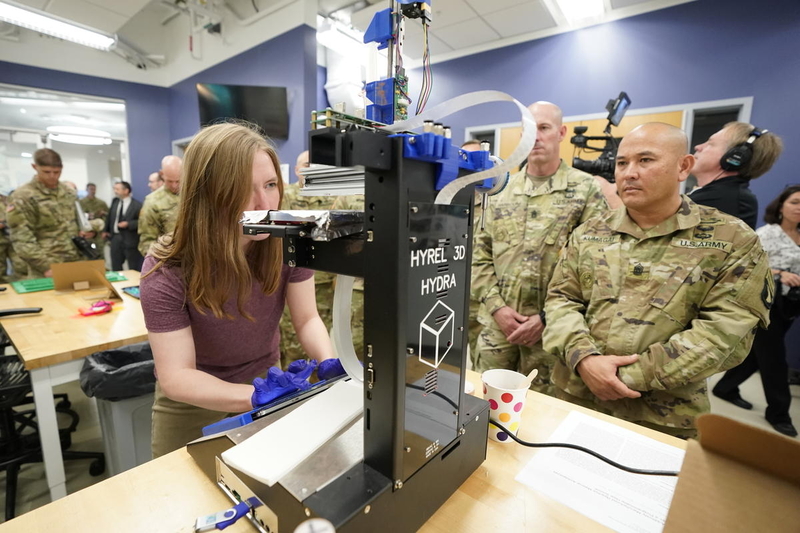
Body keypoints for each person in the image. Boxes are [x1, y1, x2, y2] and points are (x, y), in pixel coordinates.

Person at [542, 123, 773, 439]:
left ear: (683, 167)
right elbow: (560, 300)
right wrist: (585, 359)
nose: (629, 173)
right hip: (575, 396)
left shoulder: (731, 240)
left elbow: (725, 332)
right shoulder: (589, 233)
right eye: (622, 163)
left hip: (663, 416)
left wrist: (626, 376)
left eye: (645, 160)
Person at [139, 123, 337, 457]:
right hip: (192, 400)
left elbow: (306, 319)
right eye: (243, 189)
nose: (264, 203)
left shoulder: (288, 242)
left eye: (271, 184)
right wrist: (252, 397)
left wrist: (329, 360)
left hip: (265, 376)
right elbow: (177, 376)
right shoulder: (167, 269)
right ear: (207, 194)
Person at [471, 102, 608, 394]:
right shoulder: (500, 188)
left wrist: (545, 318)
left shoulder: (585, 190)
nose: (535, 138)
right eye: (528, 130)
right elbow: (478, 254)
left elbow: (596, 265)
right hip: (498, 326)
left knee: (544, 413)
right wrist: (498, 309)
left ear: (561, 133)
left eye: (543, 128)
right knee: (484, 405)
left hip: (554, 332)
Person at [712, 187, 799, 437]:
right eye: (794, 202)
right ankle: (779, 413)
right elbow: (747, 268)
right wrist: (781, 274)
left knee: (756, 354)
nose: (799, 207)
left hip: (789, 306)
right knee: (775, 361)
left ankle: (726, 388)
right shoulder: (767, 234)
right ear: (781, 206)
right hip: (766, 303)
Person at [278, 150, 338, 368]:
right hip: (292, 278)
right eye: (306, 164)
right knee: (293, 339)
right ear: (296, 170)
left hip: (324, 281)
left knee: (320, 332)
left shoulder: (333, 198)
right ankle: (293, 384)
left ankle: (319, 378)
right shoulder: (284, 196)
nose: (311, 168)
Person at [7, 149, 94, 278]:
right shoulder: (23, 196)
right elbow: (21, 238)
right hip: (46, 266)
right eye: (46, 172)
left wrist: (89, 232)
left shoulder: (68, 193)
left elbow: (78, 223)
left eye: (57, 172)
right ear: (35, 167)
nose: (52, 176)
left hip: (75, 259)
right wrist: (45, 266)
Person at [689, 122, 783, 229]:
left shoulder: (721, 199)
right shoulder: (713, 194)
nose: (698, 147)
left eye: (711, 144)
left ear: (735, 156)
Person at [138, 155, 182, 257]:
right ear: (162, 174)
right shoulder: (152, 201)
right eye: (170, 181)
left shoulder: (194, 195)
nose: (174, 185)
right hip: (169, 261)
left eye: (178, 181)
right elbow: (147, 241)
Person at [102, 181, 143, 271]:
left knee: (133, 266)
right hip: (115, 239)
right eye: (114, 189)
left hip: (130, 240)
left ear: (126, 191)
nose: (115, 191)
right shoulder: (115, 202)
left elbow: (142, 222)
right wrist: (105, 230)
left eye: (117, 189)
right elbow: (109, 217)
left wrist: (129, 224)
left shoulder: (137, 205)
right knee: (116, 266)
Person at [80, 182, 109, 252]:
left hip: (99, 231)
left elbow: (109, 216)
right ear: (86, 190)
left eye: (94, 189)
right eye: (91, 189)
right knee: (87, 252)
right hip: (86, 231)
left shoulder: (101, 203)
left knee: (100, 251)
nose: (93, 191)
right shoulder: (81, 202)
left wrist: (103, 213)